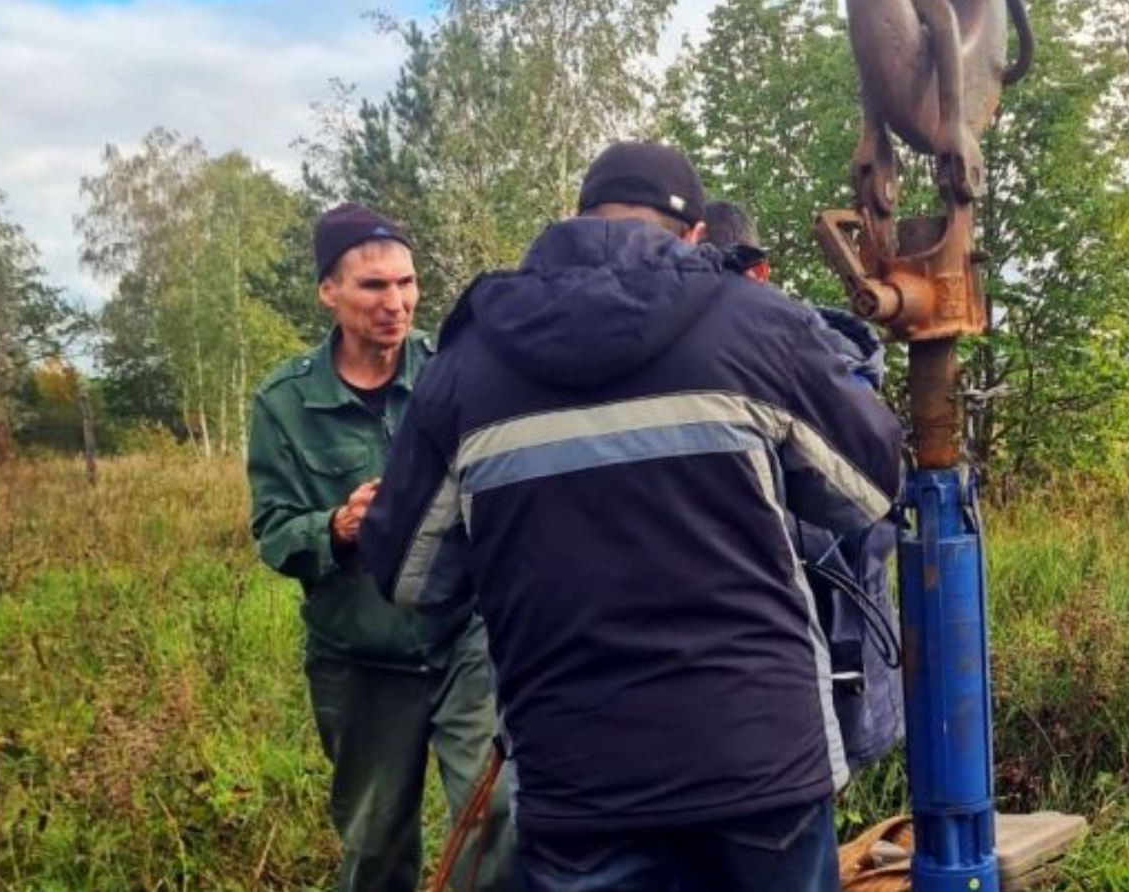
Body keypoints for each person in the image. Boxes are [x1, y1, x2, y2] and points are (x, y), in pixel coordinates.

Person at [360, 142, 904, 892]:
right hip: (758, 759)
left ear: (578, 218)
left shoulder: (465, 362)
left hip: (576, 779)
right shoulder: (756, 324)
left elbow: (409, 576)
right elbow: (868, 490)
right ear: (694, 236)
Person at [246, 203, 512, 892]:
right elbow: (273, 532)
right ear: (328, 291)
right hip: (360, 660)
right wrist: (337, 526)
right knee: (375, 848)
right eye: (372, 285)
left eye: (406, 282)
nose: (395, 302)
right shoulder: (285, 403)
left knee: (497, 820)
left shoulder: (452, 372)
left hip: (462, 642)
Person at [703, 199, 904, 773]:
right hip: (748, 693)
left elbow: (868, 516)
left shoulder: (823, 370)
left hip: (835, 671)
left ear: (758, 273)